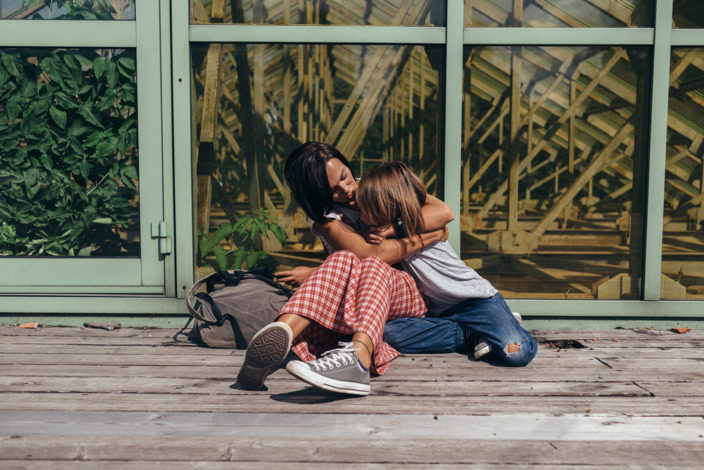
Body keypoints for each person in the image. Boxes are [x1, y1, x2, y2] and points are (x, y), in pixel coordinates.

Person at [236, 142, 451, 396]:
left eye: (345, 177)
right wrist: (425, 235)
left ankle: (358, 358)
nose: (347, 190)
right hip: (364, 296)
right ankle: (281, 333)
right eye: (333, 191)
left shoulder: (377, 185)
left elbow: (443, 212)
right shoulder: (326, 217)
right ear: (318, 197)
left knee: (365, 263)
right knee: (343, 260)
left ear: (347, 165)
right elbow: (368, 252)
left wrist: (398, 229)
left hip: (407, 291)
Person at [355, 161, 537, 367]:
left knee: (517, 353)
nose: (361, 217)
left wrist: (393, 230)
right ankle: (473, 333)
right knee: (388, 334)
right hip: (441, 313)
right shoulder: (380, 235)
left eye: (366, 210)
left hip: (477, 301)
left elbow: (440, 210)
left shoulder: (418, 223)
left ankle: (502, 326)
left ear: (385, 205)